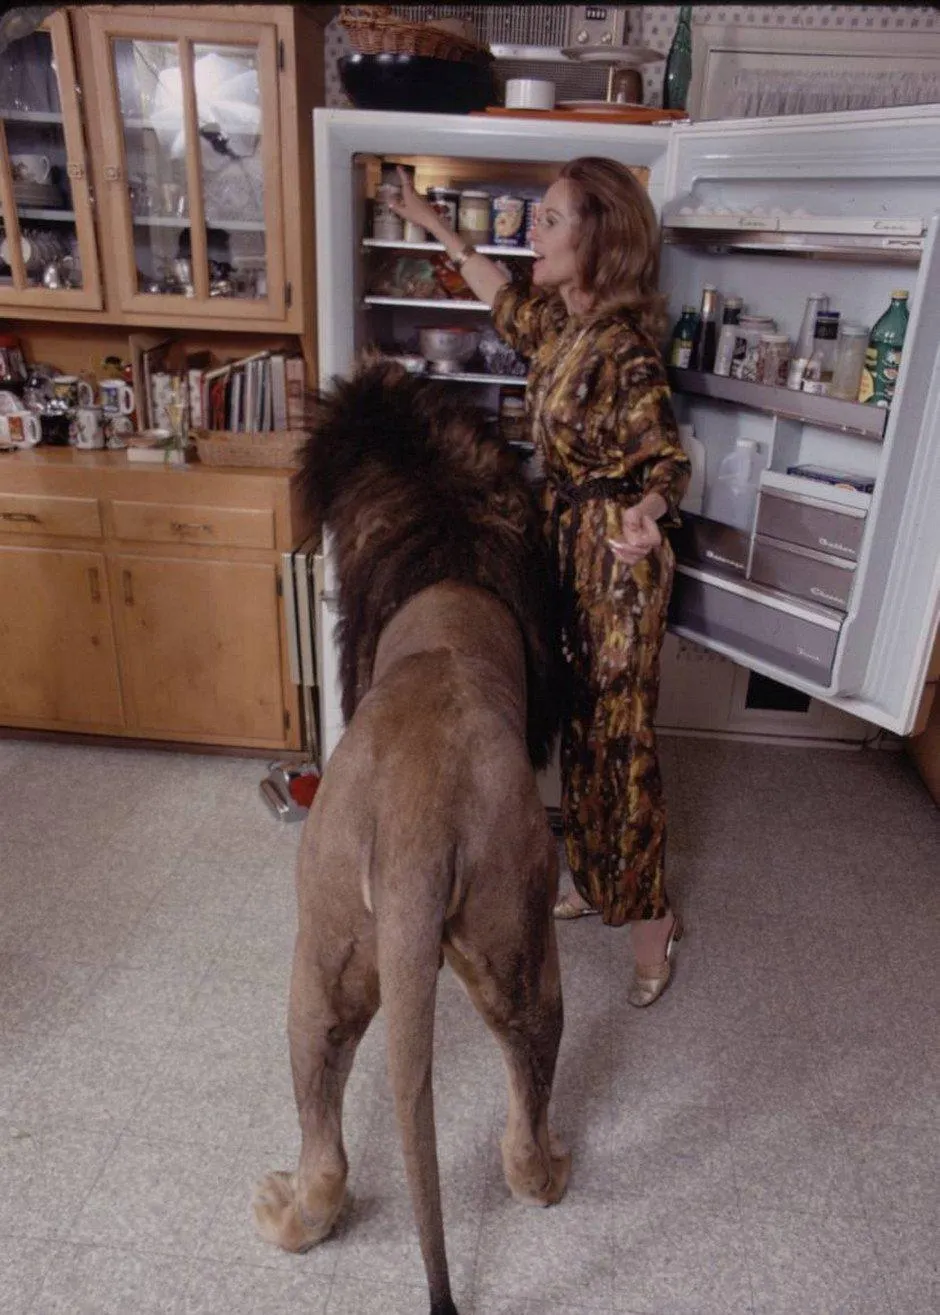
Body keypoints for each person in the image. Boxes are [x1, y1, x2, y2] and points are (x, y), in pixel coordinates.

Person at [390, 159, 690, 1007]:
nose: (534, 232)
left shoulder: (625, 348)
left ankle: (654, 920)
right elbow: (498, 294)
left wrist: (648, 515)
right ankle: (593, 877)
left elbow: (667, 461)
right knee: (576, 727)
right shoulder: (562, 321)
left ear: (598, 239)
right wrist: (429, 219)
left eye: (551, 220)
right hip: (564, 546)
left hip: (617, 563)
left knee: (618, 746)